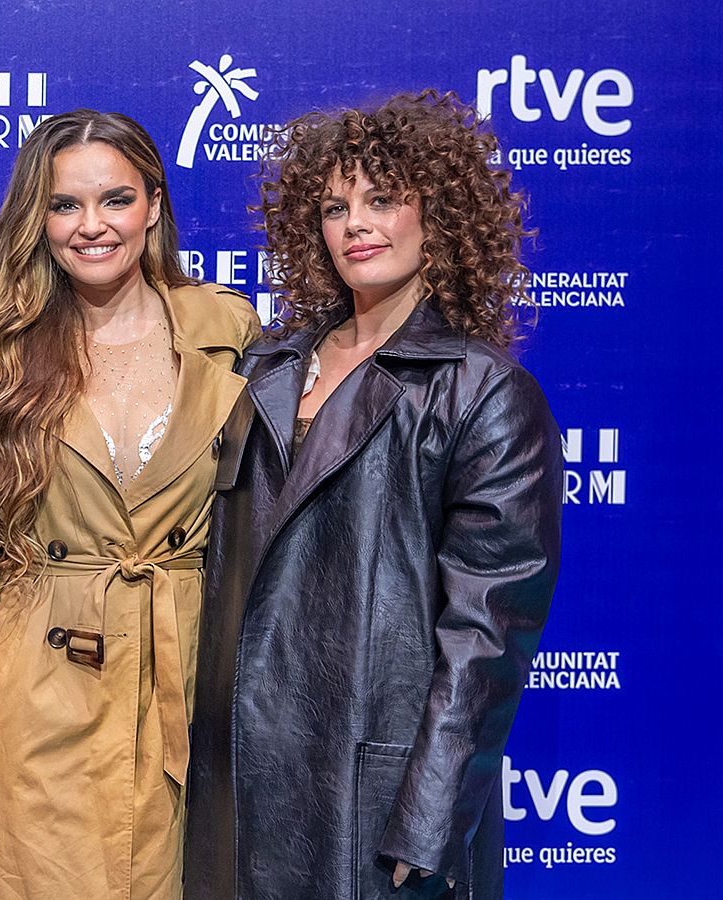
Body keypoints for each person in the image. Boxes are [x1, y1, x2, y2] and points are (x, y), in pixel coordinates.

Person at [185, 90, 563, 900]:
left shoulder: (484, 393)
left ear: (440, 215)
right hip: (238, 790)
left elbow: (485, 639)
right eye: (334, 207)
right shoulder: (266, 370)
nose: (355, 223)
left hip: (372, 804)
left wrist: (429, 820)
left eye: (383, 200)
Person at [0, 109, 261, 898]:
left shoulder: (229, 329)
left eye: (116, 200)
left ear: (154, 204)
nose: (91, 225)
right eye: (65, 204)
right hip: (37, 687)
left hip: (188, 684)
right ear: (38, 218)